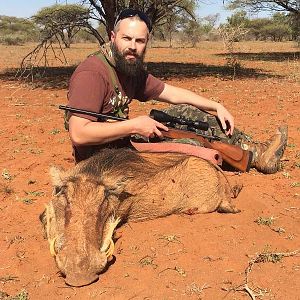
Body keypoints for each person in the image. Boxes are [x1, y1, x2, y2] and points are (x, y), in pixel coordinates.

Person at [66, 8, 287, 174]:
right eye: (126, 38)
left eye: (139, 40)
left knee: (187, 114)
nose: (132, 46)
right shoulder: (92, 73)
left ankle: (257, 151)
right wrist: (134, 125)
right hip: (100, 158)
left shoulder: (130, 67)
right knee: (191, 146)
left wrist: (215, 105)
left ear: (147, 42)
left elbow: (170, 93)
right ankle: (247, 158)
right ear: (113, 38)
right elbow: (79, 133)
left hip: (122, 139)